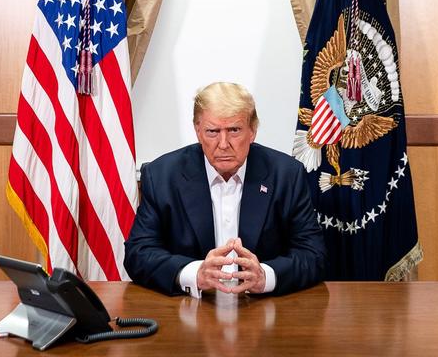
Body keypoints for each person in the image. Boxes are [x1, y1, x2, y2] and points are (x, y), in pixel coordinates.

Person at [124, 82, 325, 296]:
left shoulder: (286, 175)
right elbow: (138, 253)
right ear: (198, 131)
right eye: (212, 131)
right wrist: (194, 274)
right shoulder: (162, 176)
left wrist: (265, 277)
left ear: (253, 131)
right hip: (190, 311)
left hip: (263, 311)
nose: (223, 143)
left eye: (234, 130)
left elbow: (313, 255)